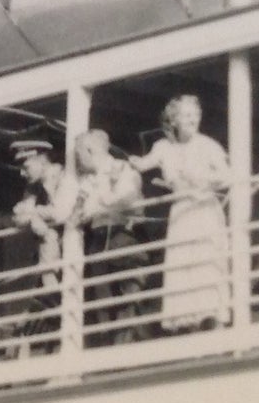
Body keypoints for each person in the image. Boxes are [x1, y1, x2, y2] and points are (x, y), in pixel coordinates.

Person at [130, 95, 231, 331]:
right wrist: (129, 161)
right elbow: (143, 164)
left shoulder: (208, 145)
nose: (193, 119)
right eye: (186, 115)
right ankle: (191, 329)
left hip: (204, 210)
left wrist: (202, 180)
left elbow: (227, 175)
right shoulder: (163, 147)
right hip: (182, 212)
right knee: (183, 268)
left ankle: (214, 326)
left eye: (195, 115)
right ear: (173, 120)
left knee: (205, 267)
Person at [67, 130, 150, 344]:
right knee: (103, 302)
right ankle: (108, 354)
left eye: (79, 153)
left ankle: (126, 351)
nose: (78, 159)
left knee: (129, 298)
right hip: (98, 241)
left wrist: (99, 206)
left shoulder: (122, 169)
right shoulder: (87, 181)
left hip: (122, 236)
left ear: (90, 150)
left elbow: (128, 198)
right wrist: (86, 210)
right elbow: (77, 213)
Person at [10, 137, 78, 349]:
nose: (23, 172)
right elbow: (17, 216)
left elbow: (60, 213)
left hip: (71, 248)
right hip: (50, 254)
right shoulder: (34, 188)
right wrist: (34, 218)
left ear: (41, 160)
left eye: (26, 166)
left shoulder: (65, 177)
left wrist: (35, 214)